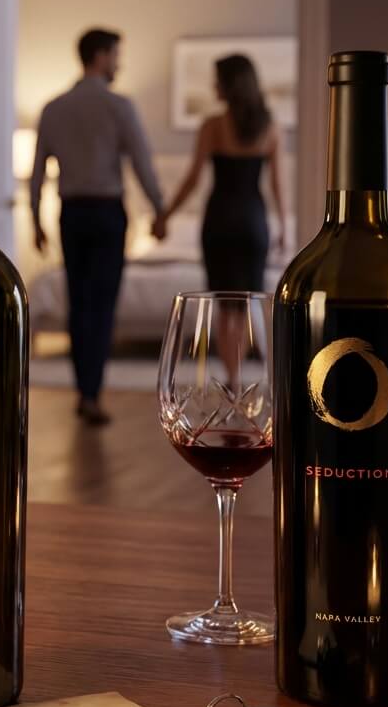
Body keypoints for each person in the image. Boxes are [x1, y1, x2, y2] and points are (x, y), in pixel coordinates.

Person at [30, 28, 166, 426]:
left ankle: (83, 389)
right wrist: (159, 210)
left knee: (78, 301)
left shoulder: (53, 108)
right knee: (103, 304)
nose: (119, 64)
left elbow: (38, 172)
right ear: (101, 56)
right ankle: (93, 391)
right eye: (116, 56)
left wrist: (36, 221)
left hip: (71, 214)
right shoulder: (119, 106)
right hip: (107, 214)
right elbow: (141, 162)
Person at [154, 53, 286, 383]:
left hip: (221, 221)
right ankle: (242, 376)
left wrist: (164, 215)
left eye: (218, 80)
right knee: (244, 305)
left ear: (230, 84)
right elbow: (277, 184)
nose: (214, 86)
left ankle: (233, 378)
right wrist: (282, 225)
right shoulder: (270, 127)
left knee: (224, 305)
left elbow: (192, 179)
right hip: (253, 221)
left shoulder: (213, 126)